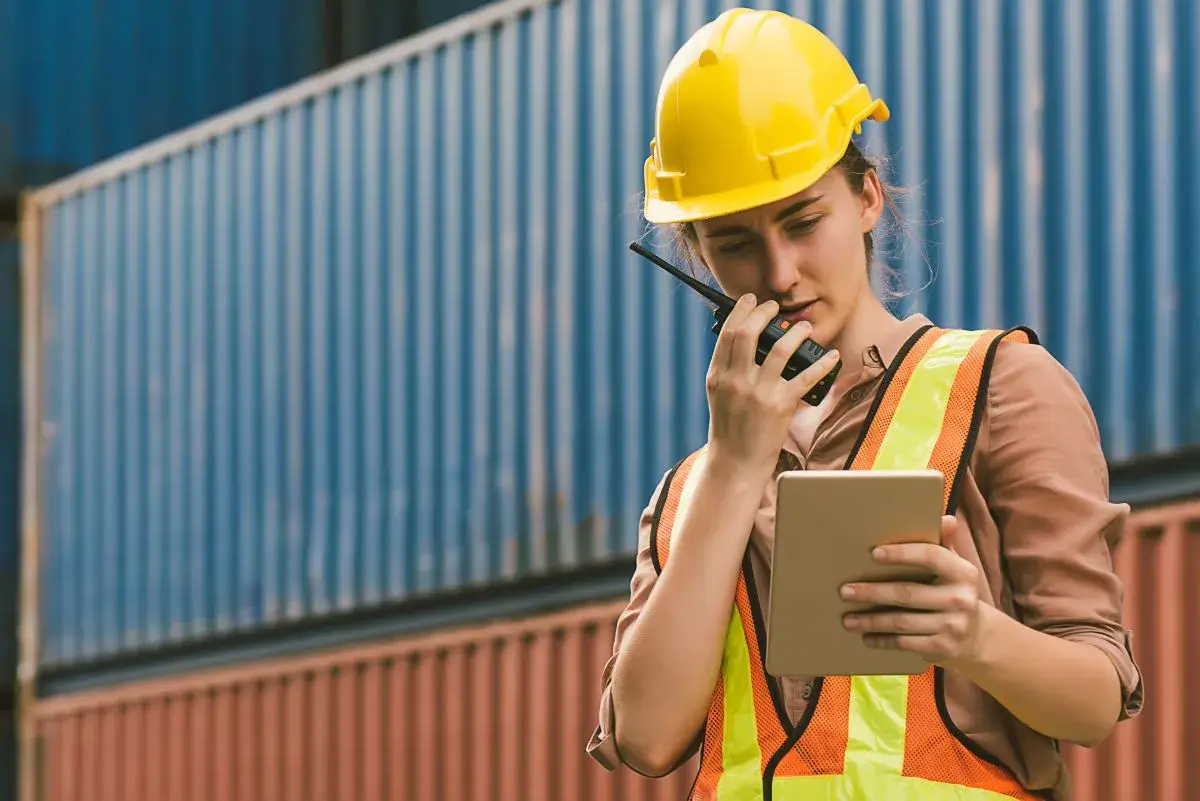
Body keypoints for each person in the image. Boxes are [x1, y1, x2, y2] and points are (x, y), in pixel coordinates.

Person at [586, 8, 1142, 801]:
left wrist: (976, 635)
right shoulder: (687, 493)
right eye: (735, 243)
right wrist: (735, 468)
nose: (780, 272)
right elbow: (644, 738)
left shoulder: (1002, 387)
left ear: (868, 197)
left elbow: (1095, 701)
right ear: (697, 255)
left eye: (804, 221)